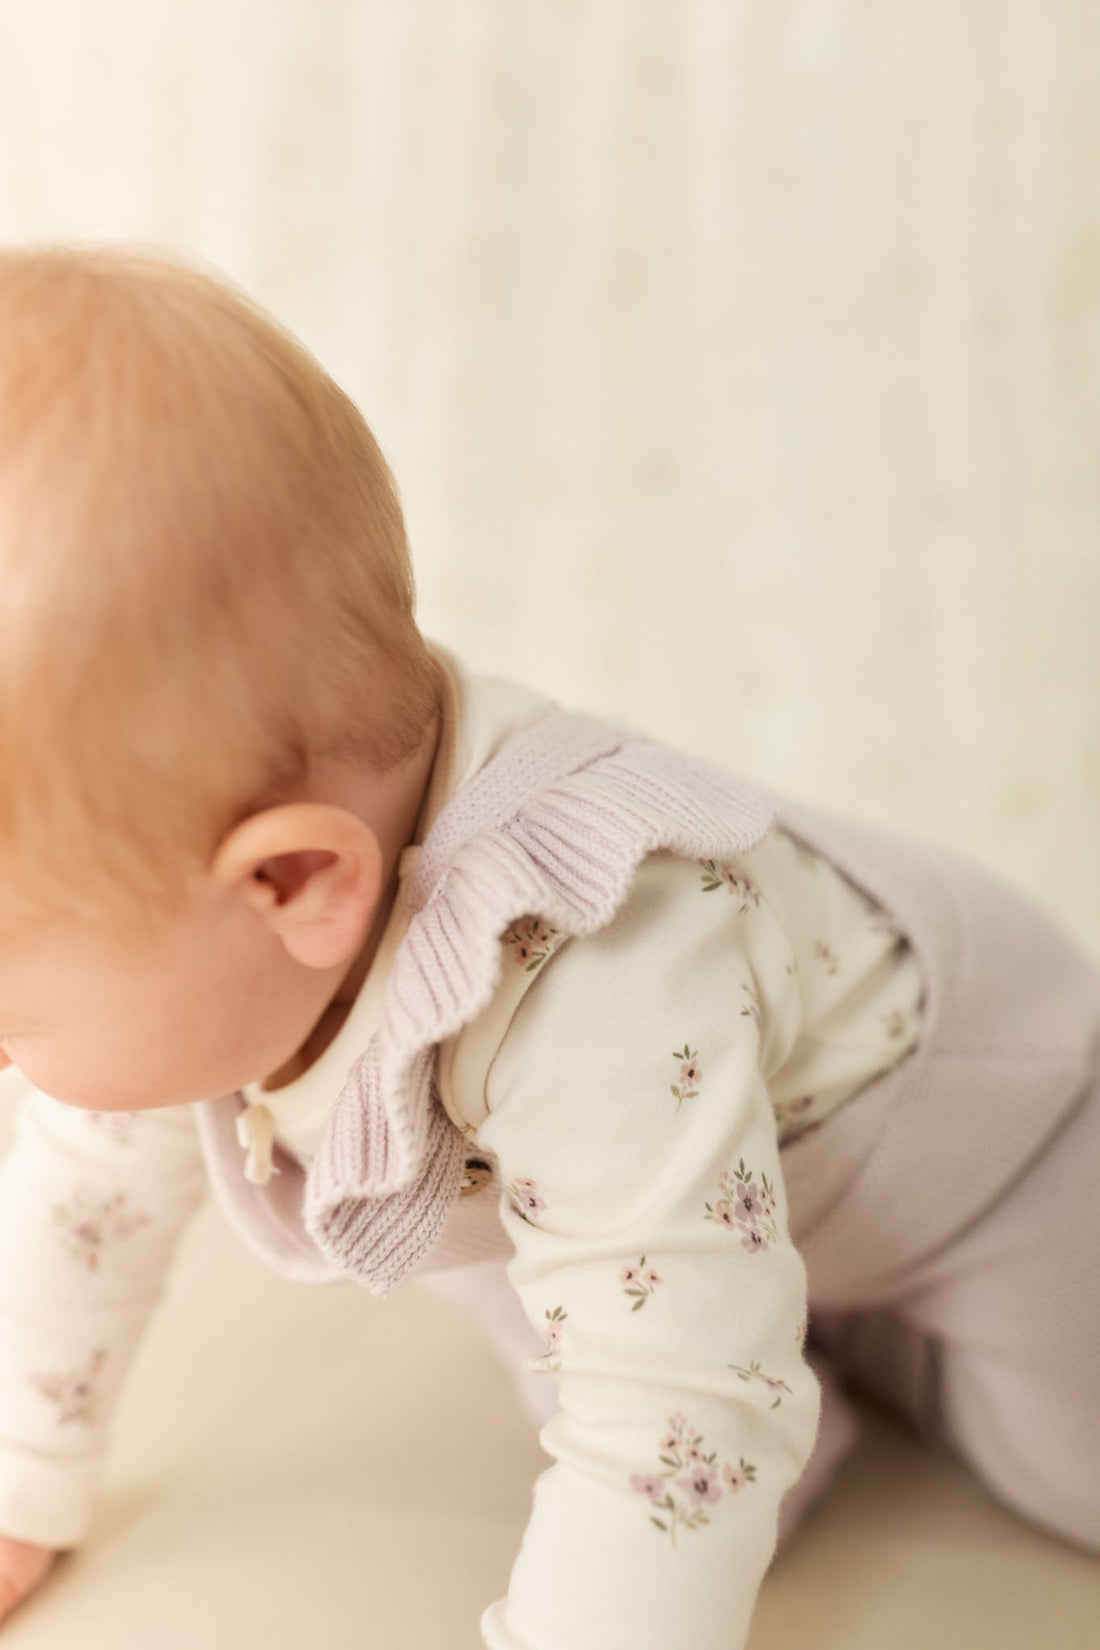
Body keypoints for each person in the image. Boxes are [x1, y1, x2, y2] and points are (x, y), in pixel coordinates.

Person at [0, 244, 1095, 1649]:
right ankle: (767, 1331)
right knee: (549, 1282)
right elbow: (85, 1194)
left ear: (293, 880)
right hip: (640, 1183)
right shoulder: (212, 916)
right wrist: (20, 1482)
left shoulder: (594, 980)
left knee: (1064, 1462)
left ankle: (831, 1339)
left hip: (984, 1152)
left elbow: (673, 1424)